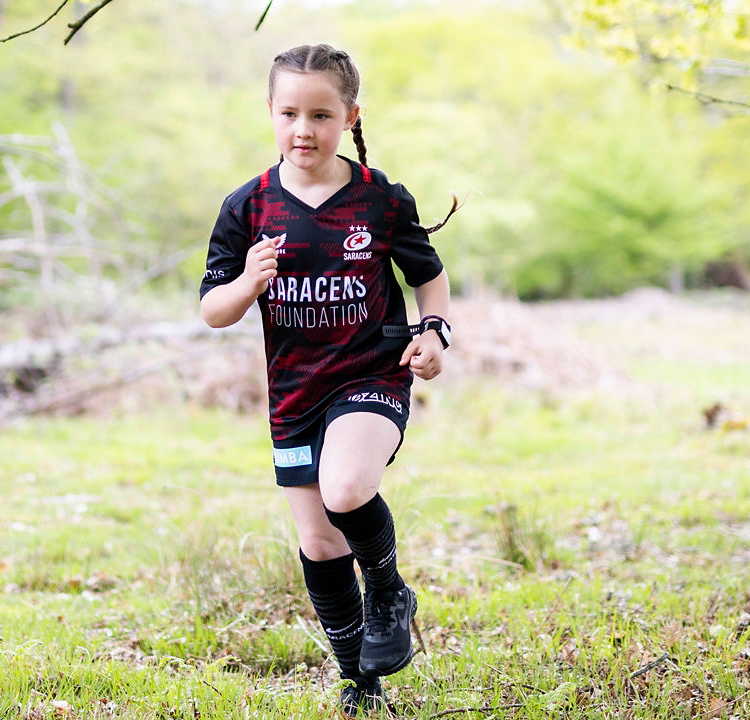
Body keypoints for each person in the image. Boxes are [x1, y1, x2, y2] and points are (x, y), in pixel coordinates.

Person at [199, 43, 453, 716]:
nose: (303, 129)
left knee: (347, 489)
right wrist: (248, 282)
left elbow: (428, 277)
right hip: (295, 392)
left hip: (371, 375)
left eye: (320, 114)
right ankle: (359, 681)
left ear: (349, 116)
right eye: (289, 113)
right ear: (271, 113)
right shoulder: (248, 206)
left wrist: (434, 332)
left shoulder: (380, 199)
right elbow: (212, 309)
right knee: (318, 543)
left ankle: (390, 589)